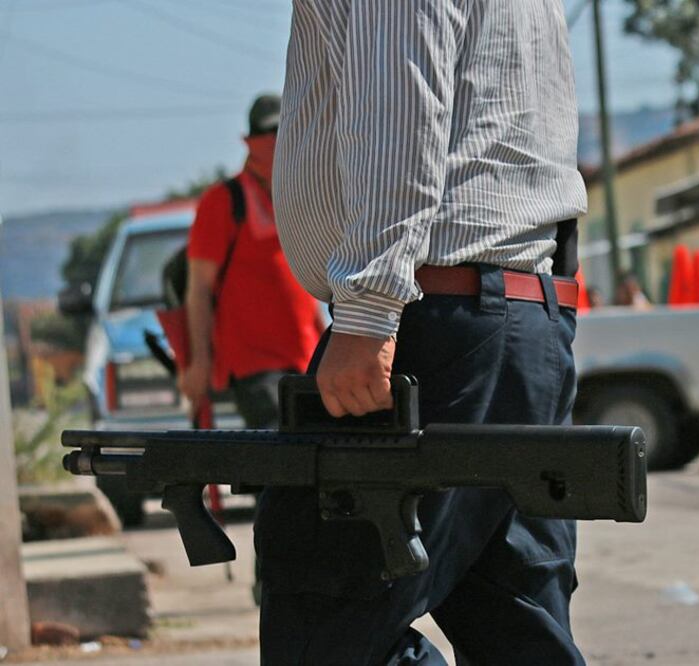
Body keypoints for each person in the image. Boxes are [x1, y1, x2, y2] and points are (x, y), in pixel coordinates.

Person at [262, 3, 587, 664]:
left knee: (325, 622)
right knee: (511, 623)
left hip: (433, 315)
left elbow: (399, 111)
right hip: (514, 315)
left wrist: (368, 308)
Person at [177, 94, 325, 428]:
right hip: (253, 367)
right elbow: (198, 289)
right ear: (253, 141)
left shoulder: (297, 197)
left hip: (306, 359)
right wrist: (199, 362)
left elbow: (304, 289)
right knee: (281, 455)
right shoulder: (222, 202)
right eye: (270, 136)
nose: (276, 145)